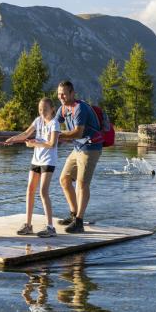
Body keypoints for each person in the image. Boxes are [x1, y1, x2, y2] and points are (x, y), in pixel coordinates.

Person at [5, 97, 60, 237]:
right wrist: (13, 139)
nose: (42, 112)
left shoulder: (55, 124)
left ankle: (50, 228)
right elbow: (26, 134)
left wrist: (34, 144)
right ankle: (28, 225)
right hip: (36, 160)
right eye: (40, 109)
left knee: (43, 191)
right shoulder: (38, 120)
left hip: (48, 161)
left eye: (45, 109)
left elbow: (52, 144)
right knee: (30, 189)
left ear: (52, 109)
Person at [55, 80, 103, 234]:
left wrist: (58, 135)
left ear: (72, 93)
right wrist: (36, 133)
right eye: (59, 94)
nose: (61, 96)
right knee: (64, 179)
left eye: (64, 93)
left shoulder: (79, 108)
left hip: (91, 148)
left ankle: (79, 222)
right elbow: (52, 124)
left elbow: (78, 132)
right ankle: (73, 215)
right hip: (78, 148)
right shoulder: (63, 109)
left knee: (82, 184)